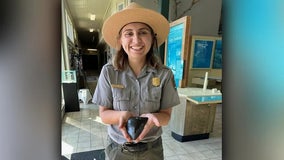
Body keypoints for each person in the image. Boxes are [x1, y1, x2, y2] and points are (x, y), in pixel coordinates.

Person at [92, 2, 180, 160]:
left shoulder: (165, 74)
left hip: (152, 150)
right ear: (120, 40)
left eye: (143, 32)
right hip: (118, 150)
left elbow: (166, 116)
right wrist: (121, 115)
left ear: (153, 39)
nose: (136, 40)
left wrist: (155, 119)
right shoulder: (109, 72)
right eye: (129, 33)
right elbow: (104, 114)